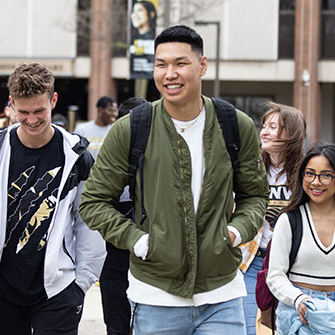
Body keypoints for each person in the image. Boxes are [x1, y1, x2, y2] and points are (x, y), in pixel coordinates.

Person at [80, 25, 269, 334]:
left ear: (202, 65)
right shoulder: (131, 128)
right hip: (155, 295)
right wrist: (138, 241)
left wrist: (235, 232)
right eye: (161, 64)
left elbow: (255, 196)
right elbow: (94, 202)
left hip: (222, 294)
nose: (169, 73)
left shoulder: (236, 125)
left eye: (180, 63)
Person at [0, 63, 106, 335]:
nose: (32, 120)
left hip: (59, 289)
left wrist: (82, 281)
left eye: (40, 111)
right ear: (11, 104)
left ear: (54, 100)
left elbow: (90, 222)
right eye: (23, 112)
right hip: (0, 288)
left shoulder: (77, 157)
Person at [267, 143, 335, 335]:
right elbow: (275, 276)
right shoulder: (289, 221)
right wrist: (299, 299)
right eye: (310, 173)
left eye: (326, 175)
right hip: (297, 313)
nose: (316, 182)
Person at [239, 102, 306, 335]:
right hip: (252, 262)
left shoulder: (306, 173)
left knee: (290, 329)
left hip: (292, 266)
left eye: (273, 126)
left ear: (291, 133)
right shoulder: (251, 169)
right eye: (264, 125)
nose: (264, 131)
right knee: (246, 328)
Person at [99, 97, 148, 335]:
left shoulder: (162, 162)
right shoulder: (106, 162)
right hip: (114, 266)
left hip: (153, 268)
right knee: (117, 329)